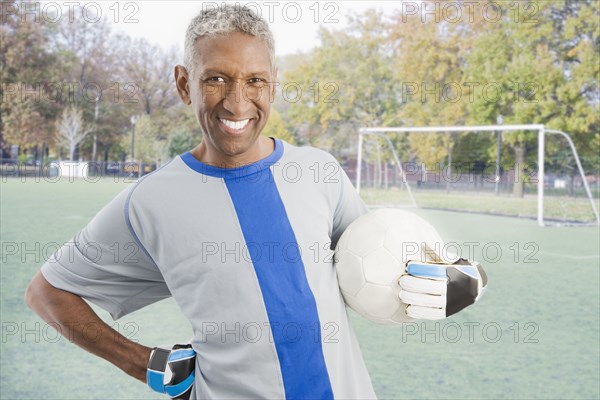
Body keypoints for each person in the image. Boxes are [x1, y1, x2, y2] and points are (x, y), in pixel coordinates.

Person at [25, 5, 377, 399]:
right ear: (183, 84)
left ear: (273, 85)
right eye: (216, 79)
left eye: (255, 80)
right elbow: (46, 292)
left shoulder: (319, 172)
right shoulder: (151, 202)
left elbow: (379, 260)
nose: (237, 103)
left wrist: (450, 279)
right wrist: (142, 363)